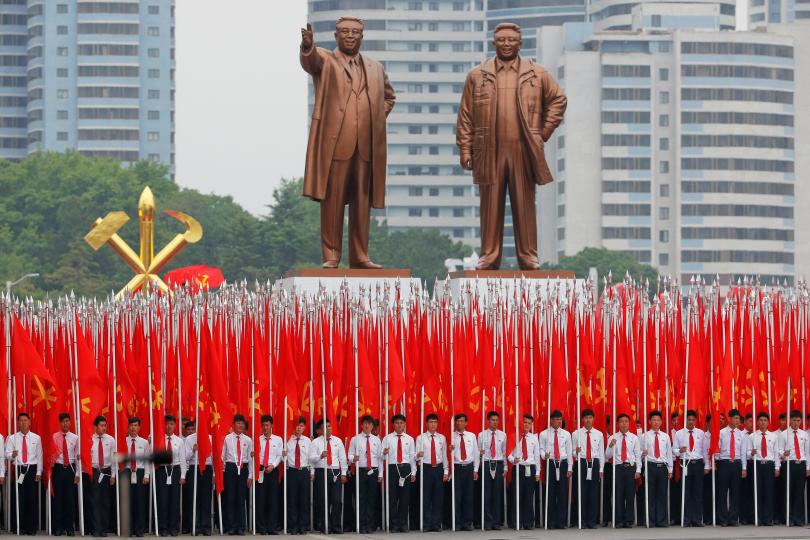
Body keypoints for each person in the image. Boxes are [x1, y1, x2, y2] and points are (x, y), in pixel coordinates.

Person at [456, 22, 566, 270]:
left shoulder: (537, 74)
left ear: (520, 43)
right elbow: (465, 115)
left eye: (511, 40)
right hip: (489, 149)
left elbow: (559, 100)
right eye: (501, 40)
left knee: (524, 204)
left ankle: (528, 255)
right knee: (490, 205)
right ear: (493, 43)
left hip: (523, 149)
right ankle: (489, 255)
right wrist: (465, 148)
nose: (506, 44)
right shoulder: (477, 75)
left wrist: (542, 133)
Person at [299, 16, 396, 269]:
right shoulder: (326, 60)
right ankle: (331, 255)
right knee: (333, 201)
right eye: (345, 32)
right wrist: (307, 46)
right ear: (336, 36)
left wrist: (374, 118)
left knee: (362, 202)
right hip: (336, 145)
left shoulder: (375, 68)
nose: (350, 36)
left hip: (366, 147)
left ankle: (360, 255)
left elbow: (389, 97)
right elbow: (311, 62)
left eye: (355, 32)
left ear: (362, 36)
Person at [310, 419, 348, 534]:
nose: (328, 428)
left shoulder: (338, 441)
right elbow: (311, 459)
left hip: (335, 472)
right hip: (322, 471)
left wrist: (344, 473)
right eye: (325, 427)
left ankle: (336, 525)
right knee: (323, 500)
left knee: (336, 500)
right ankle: (325, 525)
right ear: (321, 430)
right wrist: (320, 456)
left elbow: (342, 458)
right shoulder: (316, 442)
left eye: (330, 426)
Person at [712, 408, 748, 526]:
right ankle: (722, 519)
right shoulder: (721, 432)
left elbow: (743, 452)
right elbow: (717, 450)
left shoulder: (741, 434)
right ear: (730, 419)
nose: (737, 421)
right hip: (724, 463)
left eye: (738, 418)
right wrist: (717, 462)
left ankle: (733, 518)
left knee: (735, 492)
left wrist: (744, 468)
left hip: (736, 464)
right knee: (722, 492)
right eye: (735, 418)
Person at [7, 412, 41, 535]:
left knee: (31, 499)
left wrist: (39, 471)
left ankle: (31, 527)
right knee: (19, 498)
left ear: (29, 422)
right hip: (19, 469)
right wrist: (12, 455)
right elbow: (7, 454)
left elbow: (39, 456)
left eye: (25, 420)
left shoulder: (36, 438)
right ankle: (19, 527)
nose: (23, 423)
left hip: (32, 469)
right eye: (21, 420)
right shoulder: (12, 438)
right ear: (18, 423)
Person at [348, 415, 383, 533]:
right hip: (361, 470)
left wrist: (380, 474)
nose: (367, 425)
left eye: (369, 423)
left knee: (372, 498)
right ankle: (361, 524)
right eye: (365, 423)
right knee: (361, 498)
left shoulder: (377, 440)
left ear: (372, 426)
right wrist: (354, 458)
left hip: (373, 471)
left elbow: (380, 458)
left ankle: (370, 524)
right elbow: (349, 455)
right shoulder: (355, 439)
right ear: (361, 425)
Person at [605, 413, 641, 528]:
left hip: (630, 468)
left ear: (629, 423)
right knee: (618, 494)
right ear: (618, 424)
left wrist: (638, 470)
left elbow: (637, 455)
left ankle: (629, 519)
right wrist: (610, 446)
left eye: (626, 421)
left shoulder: (634, 438)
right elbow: (607, 455)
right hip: (618, 468)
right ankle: (619, 520)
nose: (624, 424)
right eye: (621, 421)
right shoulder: (613, 437)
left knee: (630, 495)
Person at [538, 410, 573, 529]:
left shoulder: (566, 434)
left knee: (563, 493)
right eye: (557, 419)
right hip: (550, 463)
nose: (559, 421)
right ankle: (550, 521)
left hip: (562, 463)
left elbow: (569, 452)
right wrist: (544, 455)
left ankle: (561, 521)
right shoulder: (544, 434)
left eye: (560, 419)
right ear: (551, 420)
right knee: (550, 493)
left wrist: (569, 467)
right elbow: (541, 449)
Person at [382, 414, 416, 532]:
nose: (399, 425)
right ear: (393, 425)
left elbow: (412, 457)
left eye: (401, 423)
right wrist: (384, 453)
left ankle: (403, 523)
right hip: (392, 468)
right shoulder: (387, 438)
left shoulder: (409, 439)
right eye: (397, 423)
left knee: (404, 497)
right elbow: (381, 457)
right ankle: (394, 524)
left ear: (404, 424)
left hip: (405, 468)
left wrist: (414, 472)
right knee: (392, 497)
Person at [572, 409, 604, 529]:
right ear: (582, 419)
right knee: (581, 492)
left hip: (594, 463)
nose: (588, 420)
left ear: (593, 419)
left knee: (593, 493)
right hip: (581, 462)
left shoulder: (599, 434)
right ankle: (582, 520)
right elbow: (572, 452)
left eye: (590, 417)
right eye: (586, 418)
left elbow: (601, 452)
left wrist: (601, 468)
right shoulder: (576, 434)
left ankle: (592, 521)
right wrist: (576, 452)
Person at [415, 413, 448, 532]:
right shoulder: (420, 438)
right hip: (425, 468)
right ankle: (426, 523)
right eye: (431, 422)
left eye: (435, 422)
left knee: (438, 497)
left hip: (438, 468)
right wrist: (418, 455)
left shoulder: (442, 438)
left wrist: (446, 470)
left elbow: (444, 455)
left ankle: (436, 523)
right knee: (426, 497)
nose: (433, 424)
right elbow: (414, 456)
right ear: (426, 424)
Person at [155, 415, 187, 536]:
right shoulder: (158, 438)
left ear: (175, 426)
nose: (169, 426)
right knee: (162, 500)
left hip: (175, 470)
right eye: (167, 423)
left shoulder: (179, 441)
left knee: (174, 501)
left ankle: (173, 527)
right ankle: (163, 528)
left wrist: (183, 476)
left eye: (171, 424)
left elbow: (183, 459)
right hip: (162, 470)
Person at [507, 413, 540, 530]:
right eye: (525, 422)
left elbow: (536, 457)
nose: (526, 425)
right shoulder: (514, 436)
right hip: (519, 467)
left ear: (531, 425)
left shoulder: (534, 438)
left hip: (530, 468)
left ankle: (528, 522)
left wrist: (537, 472)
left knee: (528, 496)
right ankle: (516, 522)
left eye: (529, 423)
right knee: (517, 495)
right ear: (521, 423)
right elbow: (508, 455)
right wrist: (513, 460)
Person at [222, 414, 253, 535]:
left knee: (241, 498)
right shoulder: (227, 438)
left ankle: (241, 526)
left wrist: (250, 475)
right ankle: (231, 526)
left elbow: (250, 459)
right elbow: (223, 457)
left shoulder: (248, 440)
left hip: (243, 468)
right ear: (233, 424)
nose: (240, 425)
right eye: (238, 423)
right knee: (230, 498)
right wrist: (223, 472)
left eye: (242, 423)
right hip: (230, 468)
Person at [641, 410, 672, 528]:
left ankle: (661, 520)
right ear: (649, 421)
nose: (656, 422)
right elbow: (638, 453)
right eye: (653, 420)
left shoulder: (666, 436)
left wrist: (670, 470)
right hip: (650, 466)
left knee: (662, 494)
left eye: (658, 420)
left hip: (662, 466)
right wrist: (642, 454)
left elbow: (669, 454)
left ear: (661, 422)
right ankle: (651, 520)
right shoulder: (644, 436)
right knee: (650, 495)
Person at [674, 409, 705, 527]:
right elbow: (674, 450)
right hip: (685, 464)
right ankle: (686, 519)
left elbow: (703, 450)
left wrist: (706, 465)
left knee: (697, 493)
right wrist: (679, 450)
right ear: (686, 420)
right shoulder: (679, 433)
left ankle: (697, 519)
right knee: (685, 493)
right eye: (689, 419)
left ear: (696, 420)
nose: (691, 422)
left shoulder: (700, 433)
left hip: (698, 464)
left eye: (693, 419)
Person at [778, 409, 809, 526]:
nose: (796, 423)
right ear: (789, 421)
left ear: (801, 421)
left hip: (801, 464)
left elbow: (807, 452)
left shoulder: (804, 434)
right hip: (789, 464)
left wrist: (808, 467)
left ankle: (798, 518)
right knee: (788, 491)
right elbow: (779, 449)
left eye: (798, 420)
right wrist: (782, 453)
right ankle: (788, 517)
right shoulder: (783, 434)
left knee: (799, 492)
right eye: (794, 420)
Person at [51, 412, 80, 537]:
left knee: (70, 500)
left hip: (70, 469)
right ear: (60, 423)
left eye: (67, 421)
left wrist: (78, 473)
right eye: (63, 421)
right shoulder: (54, 437)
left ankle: (70, 527)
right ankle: (58, 527)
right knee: (58, 499)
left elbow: (79, 457)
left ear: (70, 422)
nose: (65, 424)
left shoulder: (75, 438)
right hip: (58, 469)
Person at [183, 421, 214, 536]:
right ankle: (195, 526)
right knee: (194, 498)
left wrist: (215, 474)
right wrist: (193, 450)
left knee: (206, 498)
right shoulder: (189, 439)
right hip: (193, 468)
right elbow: (185, 457)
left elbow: (214, 457)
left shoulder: (210, 438)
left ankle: (205, 526)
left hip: (207, 469)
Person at [122, 417, 150, 537]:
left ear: (139, 427)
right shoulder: (123, 441)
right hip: (127, 472)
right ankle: (128, 529)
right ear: (128, 427)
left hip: (139, 473)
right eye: (131, 425)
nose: (133, 428)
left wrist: (147, 475)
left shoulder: (144, 442)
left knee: (139, 502)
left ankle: (139, 529)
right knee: (128, 502)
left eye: (136, 425)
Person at [478, 411, 506, 530]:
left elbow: (504, 452)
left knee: (497, 494)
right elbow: (477, 452)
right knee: (486, 494)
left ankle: (496, 522)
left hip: (498, 464)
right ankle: (487, 522)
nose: (495, 422)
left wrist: (505, 467)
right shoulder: (481, 435)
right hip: (486, 464)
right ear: (488, 421)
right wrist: (480, 454)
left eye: (497, 420)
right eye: (493, 420)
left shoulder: (502, 435)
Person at [255, 414, 283, 535]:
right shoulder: (257, 439)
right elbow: (256, 455)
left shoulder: (278, 439)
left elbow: (279, 456)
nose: (265, 427)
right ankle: (261, 527)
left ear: (271, 425)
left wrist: (273, 466)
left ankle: (271, 527)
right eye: (263, 425)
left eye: (267, 425)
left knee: (273, 499)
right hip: (260, 471)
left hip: (272, 470)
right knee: (260, 500)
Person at [450, 413, 479, 530]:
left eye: (462, 421)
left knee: (468, 496)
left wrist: (476, 469)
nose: (459, 423)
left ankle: (467, 523)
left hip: (468, 467)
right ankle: (456, 522)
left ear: (466, 423)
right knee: (457, 496)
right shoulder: (451, 435)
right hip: (457, 467)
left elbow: (476, 453)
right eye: (458, 421)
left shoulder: (471, 436)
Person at [89, 415, 116, 537]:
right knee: (95, 501)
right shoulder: (90, 439)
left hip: (106, 472)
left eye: (105, 425)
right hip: (94, 471)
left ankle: (104, 529)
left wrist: (113, 475)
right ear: (95, 426)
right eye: (101, 425)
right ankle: (96, 528)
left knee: (105, 501)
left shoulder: (111, 440)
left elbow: (114, 458)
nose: (104, 428)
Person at [284, 416, 311, 535]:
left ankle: (303, 525)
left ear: (304, 428)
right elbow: (282, 457)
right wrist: (282, 455)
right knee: (292, 499)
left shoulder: (308, 441)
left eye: (301, 426)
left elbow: (311, 458)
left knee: (304, 500)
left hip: (304, 471)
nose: (299, 428)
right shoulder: (288, 440)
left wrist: (312, 472)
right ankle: (293, 525)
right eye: (297, 425)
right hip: (292, 471)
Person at [750, 411, 778, 526]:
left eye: (765, 420)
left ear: (768, 422)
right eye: (761, 420)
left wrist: (777, 467)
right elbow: (747, 452)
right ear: (757, 422)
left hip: (769, 465)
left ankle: (768, 518)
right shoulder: (752, 436)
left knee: (768, 492)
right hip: (757, 465)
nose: (763, 422)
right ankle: (758, 518)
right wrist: (751, 453)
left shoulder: (773, 436)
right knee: (758, 492)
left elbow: (776, 453)